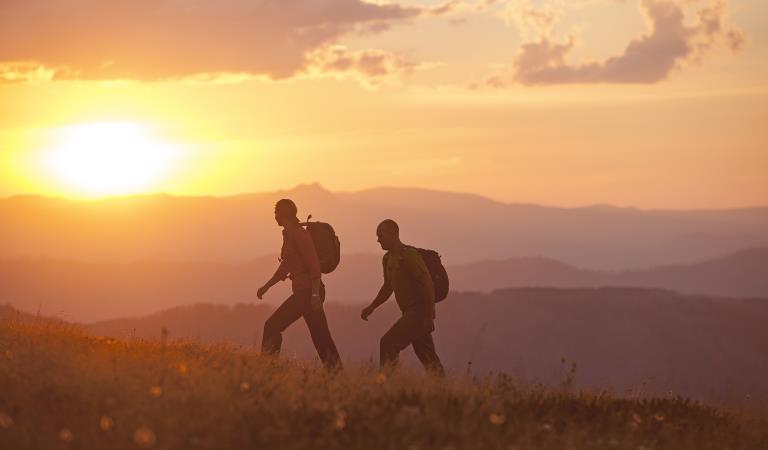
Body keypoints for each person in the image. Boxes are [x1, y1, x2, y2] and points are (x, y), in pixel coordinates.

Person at [257, 199, 342, 369]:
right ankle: (337, 374)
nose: (275, 216)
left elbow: (314, 267)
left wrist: (315, 295)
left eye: (276, 213)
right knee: (321, 337)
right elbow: (285, 267)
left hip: (308, 293)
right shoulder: (289, 236)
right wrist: (266, 286)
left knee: (272, 326)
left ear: (283, 214)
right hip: (306, 293)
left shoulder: (299, 235)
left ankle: (267, 369)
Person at [361, 219, 444, 376]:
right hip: (409, 312)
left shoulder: (409, 256)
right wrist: (372, 307)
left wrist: (429, 316)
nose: (378, 239)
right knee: (427, 357)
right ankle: (444, 389)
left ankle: (385, 385)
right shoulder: (387, 259)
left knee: (388, 343)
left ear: (393, 234)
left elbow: (427, 284)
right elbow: (387, 287)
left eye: (381, 235)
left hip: (418, 312)